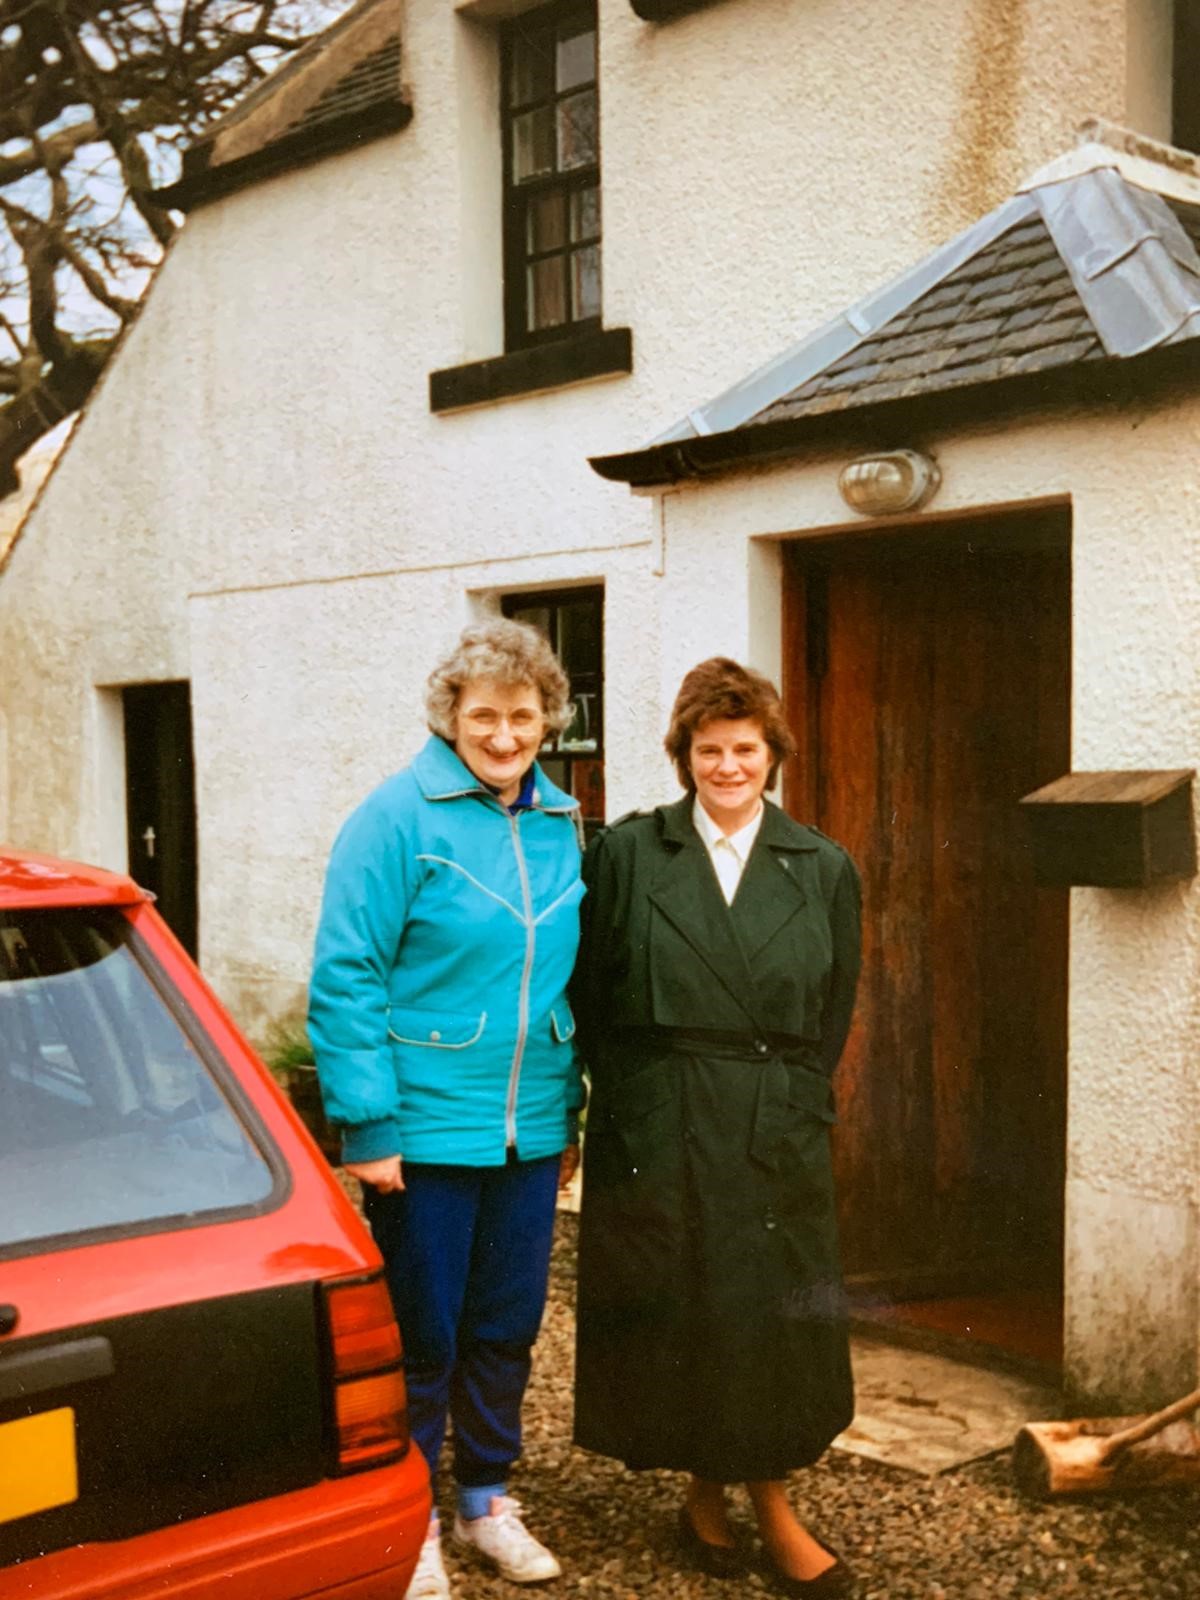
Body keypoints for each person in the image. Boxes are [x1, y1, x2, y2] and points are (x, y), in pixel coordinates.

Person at [572, 657, 862, 1597]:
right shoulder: (628, 852)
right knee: (686, 1302)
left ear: (772, 756)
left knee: (762, 1312)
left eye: (745, 749)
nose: (727, 767)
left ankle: (764, 1503)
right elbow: (594, 990)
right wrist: (625, 1108)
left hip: (769, 1119)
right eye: (709, 750)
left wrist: (788, 1104)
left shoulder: (821, 866)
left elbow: (832, 1014)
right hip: (660, 1115)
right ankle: (710, 1490)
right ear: (683, 756)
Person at [309, 619, 585, 1600]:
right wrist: (368, 1126)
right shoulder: (396, 817)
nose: (504, 735)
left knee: (507, 1325)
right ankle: (409, 1516)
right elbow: (347, 975)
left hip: (528, 1124)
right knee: (422, 1336)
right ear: (448, 716)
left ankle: (486, 1501)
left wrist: (567, 1117)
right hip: (422, 1127)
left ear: (548, 720)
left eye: (522, 716)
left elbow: (563, 980)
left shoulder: (559, 821)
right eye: (484, 716)